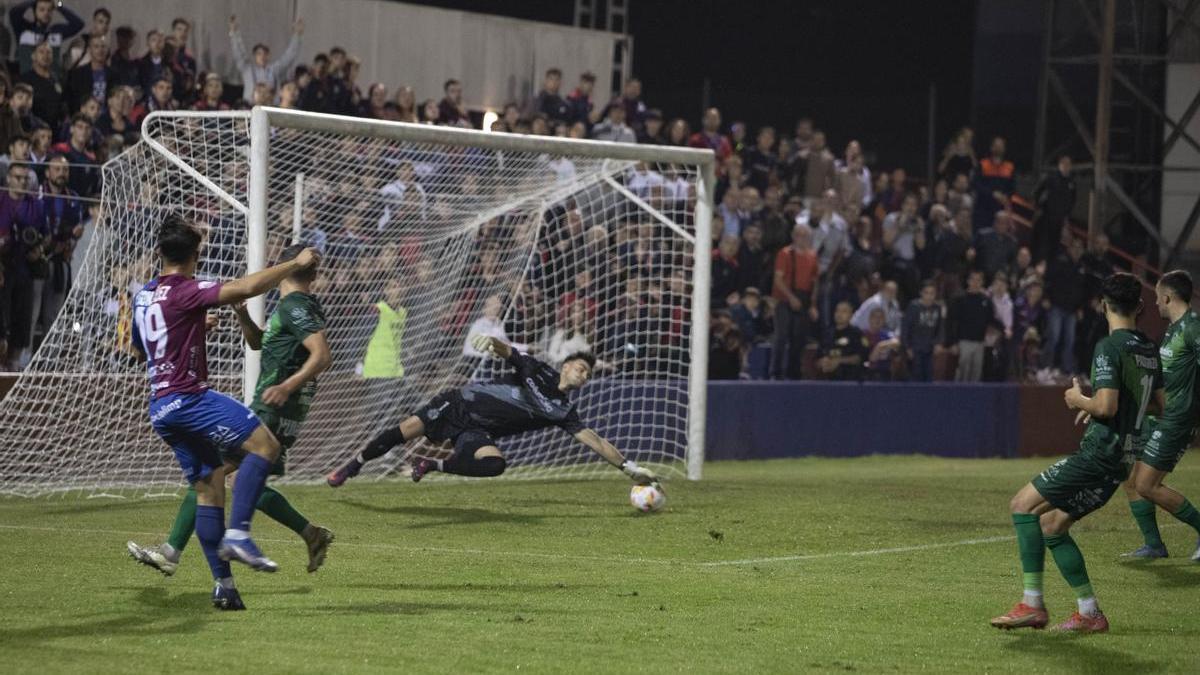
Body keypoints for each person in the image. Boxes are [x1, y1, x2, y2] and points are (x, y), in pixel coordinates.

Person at [129, 214, 320, 609]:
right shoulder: (187, 290)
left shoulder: (144, 295)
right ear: (195, 256)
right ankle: (240, 534)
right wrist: (294, 264)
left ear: (159, 254)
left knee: (210, 489)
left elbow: (138, 350)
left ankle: (225, 588)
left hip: (161, 408)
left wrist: (192, 329)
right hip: (191, 399)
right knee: (265, 447)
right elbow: (246, 288)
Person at [991, 272, 1162, 633]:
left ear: (1103, 306)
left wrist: (1079, 400)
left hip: (1099, 453)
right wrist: (1106, 407)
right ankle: (1089, 613)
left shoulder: (1109, 346)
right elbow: (1157, 403)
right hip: (1122, 460)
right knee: (1052, 525)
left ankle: (1032, 604)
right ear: (1141, 306)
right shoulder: (1148, 349)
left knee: (1021, 505)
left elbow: (1107, 405)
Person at [326, 337, 660, 486]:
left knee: (495, 465)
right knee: (400, 433)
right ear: (568, 365)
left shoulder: (563, 411)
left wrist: (630, 468)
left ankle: (432, 464)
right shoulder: (538, 370)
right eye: (581, 370)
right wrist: (492, 342)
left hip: (478, 430)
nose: (583, 376)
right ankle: (354, 464)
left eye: (588, 375)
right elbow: (509, 352)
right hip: (458, 403)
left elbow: (596, 441)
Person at [1121, 270, 1200, 560]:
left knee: (1147, 485)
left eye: (1157, 298)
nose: (1155, 303)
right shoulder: (1172, 331)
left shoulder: (1194, 328)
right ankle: (1154, 545)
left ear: (1168, 297)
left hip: (1178, 418)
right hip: (1160, 416)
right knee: (1131, 480)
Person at [771, 223, 820, 379]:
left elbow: (815, 281)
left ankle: (794, 372)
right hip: (785, 298)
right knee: (782, 335)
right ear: (793, 236)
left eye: (805, 236)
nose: (802, 239)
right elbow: (778, 279)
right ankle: (776, 372)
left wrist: (812, 304)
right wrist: (791, 298)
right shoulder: (785, 254)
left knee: (799, 338)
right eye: (799, 235)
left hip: (804, 298)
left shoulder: (812, 256)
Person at [229, 14, 304, 104]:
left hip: (271, 108)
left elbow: (289, 57)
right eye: (259, 54)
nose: (262, 56)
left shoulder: (274, 70)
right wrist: (234, 33)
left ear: (269, 56)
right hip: (251, 108)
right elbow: (239, 53)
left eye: (265, 54)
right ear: (254, 56)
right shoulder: (247, 69)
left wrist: (297, 35)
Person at [10, 0, 84, 75]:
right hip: (28, 80)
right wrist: (34, 1)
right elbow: (14, 13)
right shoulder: (24, 29)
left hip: (53, 80)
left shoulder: (56, 31)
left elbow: (79, 24)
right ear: (35, 12)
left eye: (49, 10)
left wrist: (58, 4)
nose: (46, 13)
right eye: (42, 10)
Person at [948, 270, 993, 382]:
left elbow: (990, 320)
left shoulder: (986, 301)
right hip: (964, 341)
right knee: (963, 371)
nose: (975, 282)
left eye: (979, 280)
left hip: (980, 342)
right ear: (968, 281)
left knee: (976, 372)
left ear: (982, 282)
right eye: (973, 279)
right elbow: (952, 321)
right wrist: (953, 342)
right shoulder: (959, 299)